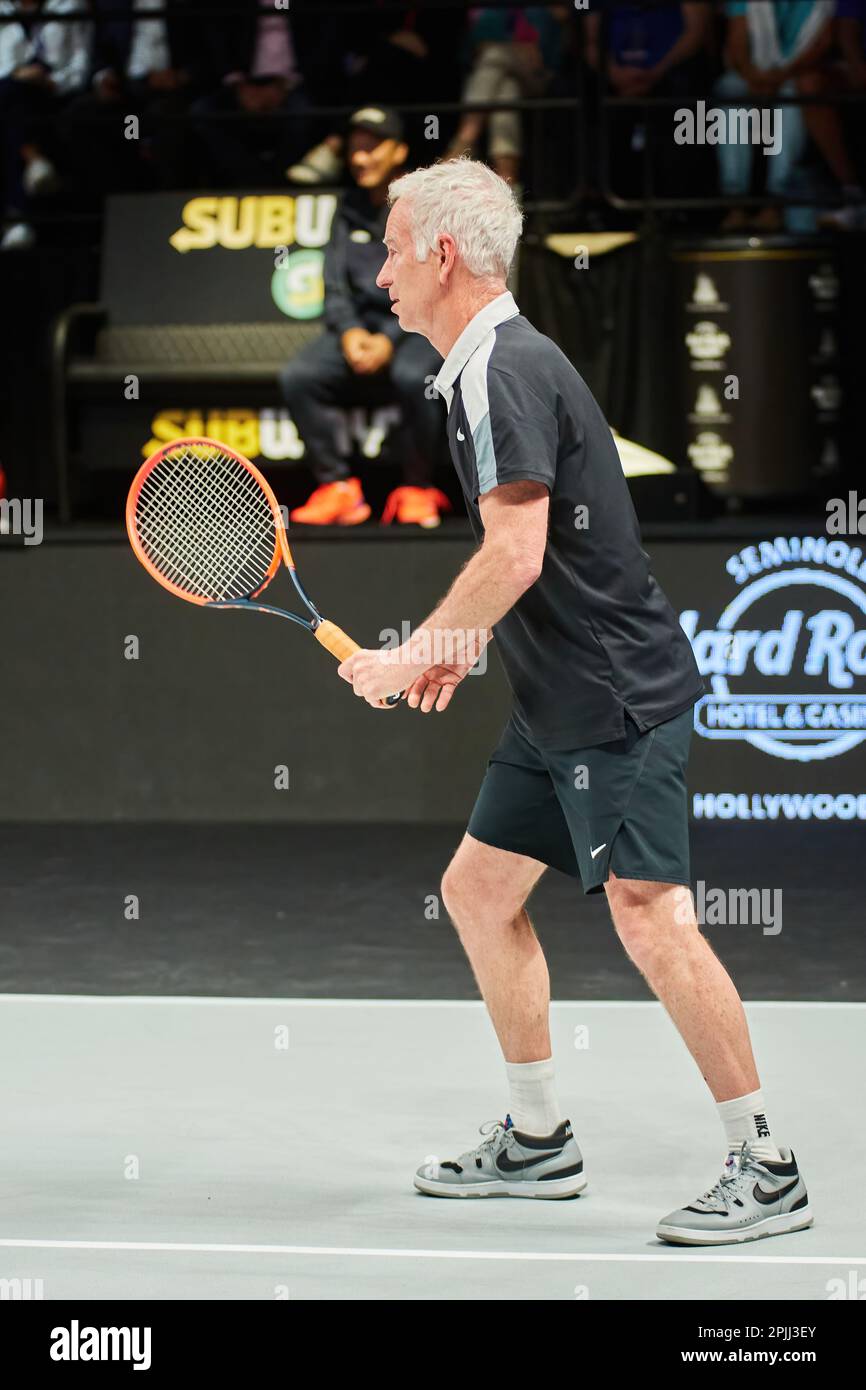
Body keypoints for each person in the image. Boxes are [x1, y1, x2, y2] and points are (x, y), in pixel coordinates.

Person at [337, 158, 812, 1245]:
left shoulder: (504, 367)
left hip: (614, 698)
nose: (381, 267)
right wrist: (465, 645)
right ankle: (539, 1140)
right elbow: (519, 565)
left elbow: (514, 549)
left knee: (651, 919)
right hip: (554, 700)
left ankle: (765, 1161)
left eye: (393, 244)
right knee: (476, 890)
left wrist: (414, 655)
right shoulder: (478, 367)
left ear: (442, 255)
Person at [281, 107, 449, 528]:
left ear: (399, 152)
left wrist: (388, 339)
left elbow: (430, 287)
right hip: (363, 330)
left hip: (417, 326)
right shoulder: (347, 207)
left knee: (415, 378)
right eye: (356, 147)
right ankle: (337, 487)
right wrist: (351, 332)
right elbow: (334, 284)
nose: (361, 157)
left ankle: (417, 487)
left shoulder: (423, 209)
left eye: (372, 147)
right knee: (299, 376)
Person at [715, 0, 837, 233]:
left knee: (792, 100)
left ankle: (777, 202)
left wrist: (778, 78)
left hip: (794, 74)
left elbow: (821, 46)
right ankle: (735, 204)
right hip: (751, 73)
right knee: (731, 97)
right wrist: (754, 77)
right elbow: (737, 41)